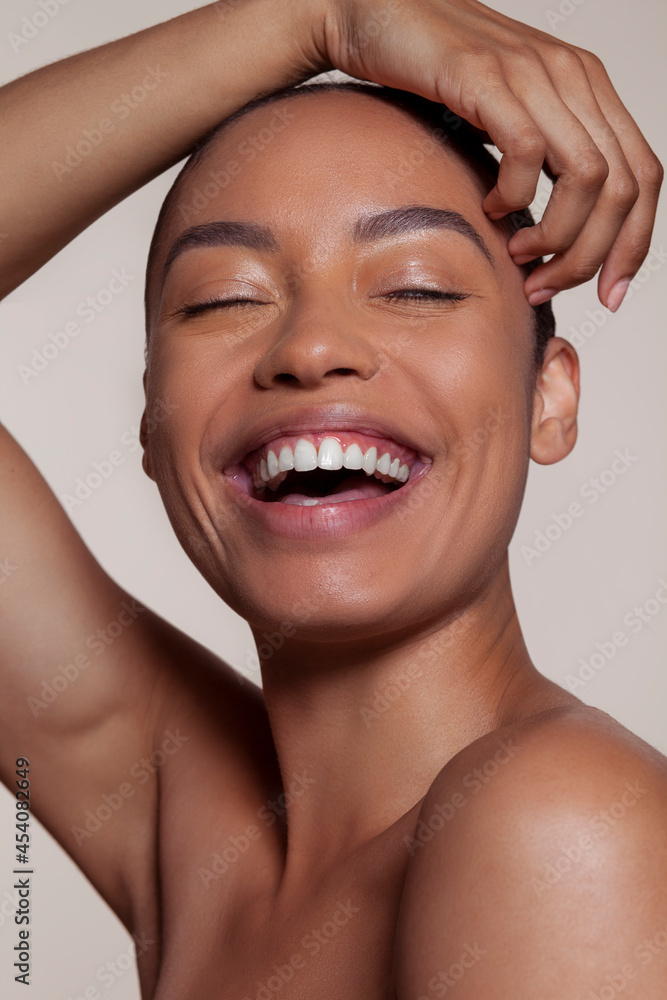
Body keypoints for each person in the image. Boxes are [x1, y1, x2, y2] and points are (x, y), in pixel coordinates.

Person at [0, 1, 665, 997]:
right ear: (148, 424)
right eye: (225, 297)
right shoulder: (189, 832)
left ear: (548, 396)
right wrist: (318, 18)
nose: (311, 349)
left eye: (412, 285)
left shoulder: (558, 827)